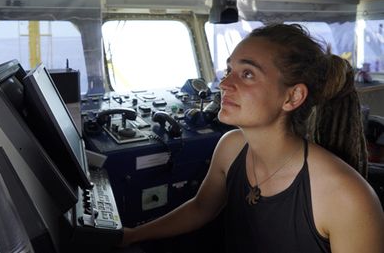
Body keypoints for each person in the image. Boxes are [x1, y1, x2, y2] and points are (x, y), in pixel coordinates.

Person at [121, 23, 384, 252]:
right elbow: (202, 207)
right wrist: (133, 235)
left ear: (292, 97)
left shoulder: (347, 197)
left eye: (247, 74)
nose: (223, 84)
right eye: (228, 71)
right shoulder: (230, 147)